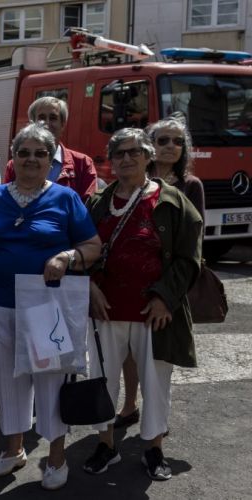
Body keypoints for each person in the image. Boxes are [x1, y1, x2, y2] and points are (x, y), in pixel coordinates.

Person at [0, 124, 101, 490]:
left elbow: (92, 246)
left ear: (50, 160)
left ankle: (55, 458)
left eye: (41, 153)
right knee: (8, 380)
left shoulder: (65, 198)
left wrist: (67, 257)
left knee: (50, 380)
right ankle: (13, 450)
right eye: (24, 152)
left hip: (44, 307)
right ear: (14, 157)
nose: (32, 159)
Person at [83, 128, 202, 481]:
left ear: (148, 157)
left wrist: (165, 297)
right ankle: (106, 444)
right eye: (119, 153)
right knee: (102, 380)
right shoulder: (97, 202)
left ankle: (153, 448)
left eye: (135, 152)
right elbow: (82, 250)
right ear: (111, 161)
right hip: (105, 310)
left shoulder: (172, 201)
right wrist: (89, 287)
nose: (127, 158)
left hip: (154, 314)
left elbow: (189, 259)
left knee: (155, 383)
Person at [115, 117, 205, 429]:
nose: (170, 146)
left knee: (160, 356)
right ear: (150, 146)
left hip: (168, 286)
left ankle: (156, 421)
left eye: (178, 141)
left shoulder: (190, 186)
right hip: (131, 286)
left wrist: (170, 292)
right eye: (163, 140)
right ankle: (129, 405)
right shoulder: (133, 179)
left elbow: (194, 241)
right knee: (129, 352)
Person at [4, 96, 98, 201]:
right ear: (32, 124)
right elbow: (7, 201)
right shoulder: (15, 165)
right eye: (42, 118)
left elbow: (87, 205)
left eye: (53, 118)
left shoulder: (83, 164)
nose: (47, 123)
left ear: (63, 124)